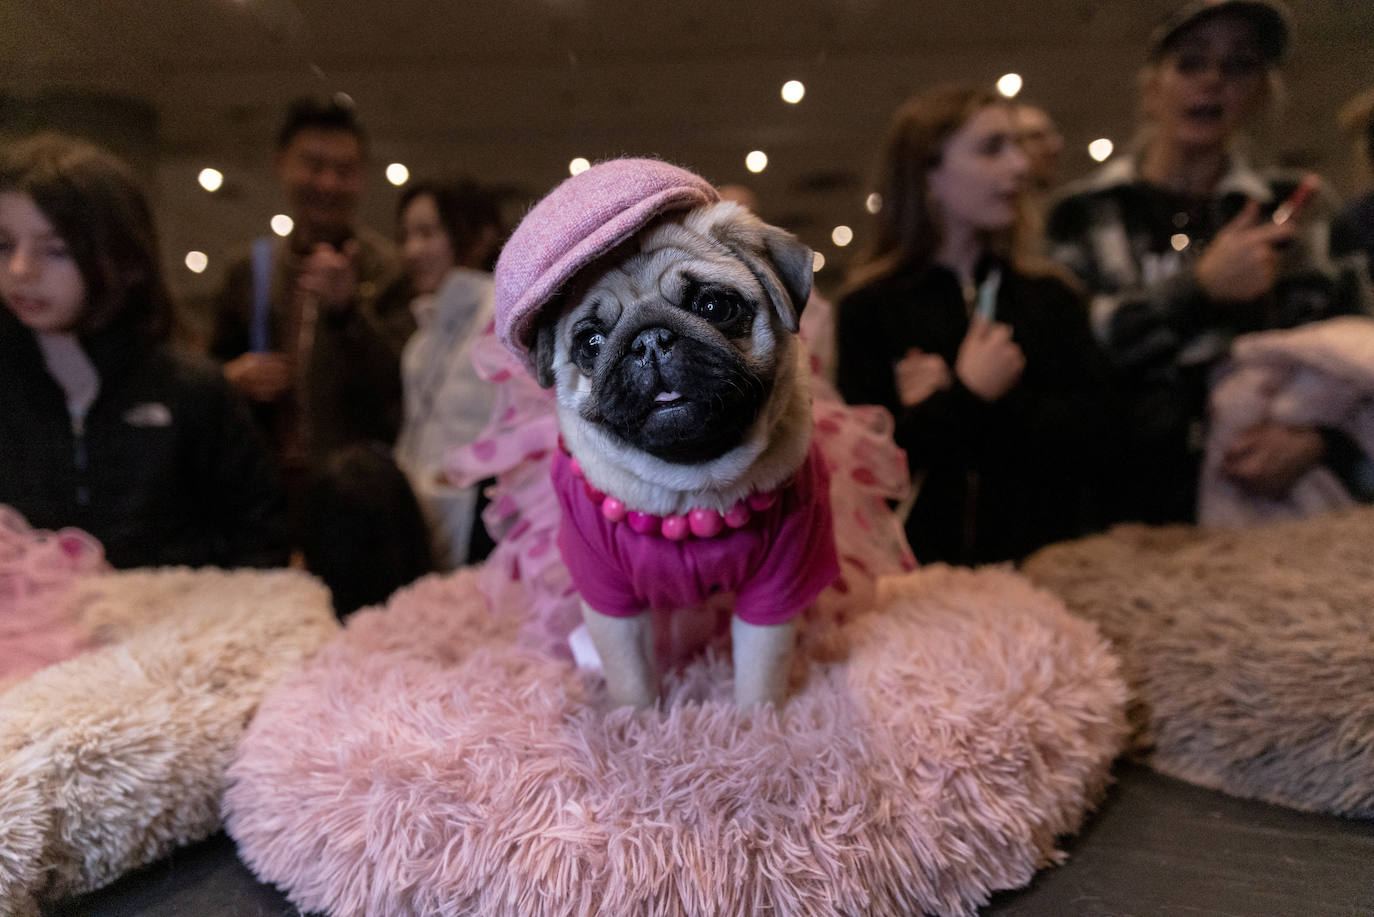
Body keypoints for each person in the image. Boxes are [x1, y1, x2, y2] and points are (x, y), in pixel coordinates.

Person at [1047, 0, 1372, 525]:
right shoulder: (1081, 215)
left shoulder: (1301, 211)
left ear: (1262, 93)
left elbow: (1360, 357)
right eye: (1191, 62)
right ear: (1152, 87)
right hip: (1115, 518)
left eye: (1239, 66)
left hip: (1273, 524)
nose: (1214, 81)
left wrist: (1319, 444)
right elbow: (1062, 359)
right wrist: (1197, 289)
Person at [835, 84, 1107, 566]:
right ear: (928, 175)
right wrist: (968, 393)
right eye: (991, 149)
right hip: (917, 584)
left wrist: (969, 396)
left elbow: (1094, 441)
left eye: (1017, 146)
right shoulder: (868, 306)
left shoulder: (1052, 296)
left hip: (1049, 574)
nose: (1021, 165)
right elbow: (870, 473)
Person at [0, 133, 288, 569]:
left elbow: (262, 541)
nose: (21, 270)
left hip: (176, 626)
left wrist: (146, 588)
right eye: (4, 245)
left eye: (57, 250)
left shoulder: (192, 390)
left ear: (125, 259)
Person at [209, 95, 410, 507]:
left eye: (345, 170)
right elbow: (209, 371)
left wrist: (348, 312)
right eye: (314, 165)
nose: (328, 184)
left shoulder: (389, 270)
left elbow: (404, 387)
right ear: (281, 162)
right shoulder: (248, 270)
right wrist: (232, 377)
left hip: (359, 492)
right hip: (261, 486)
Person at [392, 179, 505, 569]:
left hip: (491, 536)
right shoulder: (420, 344)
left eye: (427, 233)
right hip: (423, 534)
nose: (412, 250)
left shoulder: (504, 315)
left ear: (478, 237)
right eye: (407, 235)